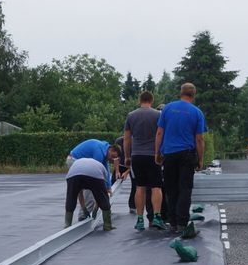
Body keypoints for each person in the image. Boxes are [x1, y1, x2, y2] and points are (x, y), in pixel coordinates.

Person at [154, 82, 206, 239]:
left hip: (169, 154)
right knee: (185, 189)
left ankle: (173, 223)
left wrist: (157, 152)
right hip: (187, 155)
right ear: (193, 95)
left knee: (171, 189)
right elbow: (199, 139)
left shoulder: (168, 108)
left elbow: (159, 133)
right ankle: (183, 224)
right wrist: (200, 159)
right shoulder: (197, 112)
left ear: (180, 93)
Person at [124, 90, 166, 231]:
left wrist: (127, 156)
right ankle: (157, 217)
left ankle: (140, 219)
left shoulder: (131, 115)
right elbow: (161, 135)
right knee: (156, 187)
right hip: (152, 156)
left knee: (140, 187)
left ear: (139, 100)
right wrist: (160, 153)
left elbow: (126, 138)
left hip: (137, 155)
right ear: (152, 100)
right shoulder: (158, 115)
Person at [65, 138, 119, 219]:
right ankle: (83, 216)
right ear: (110, 149)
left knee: (89, 187)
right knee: (90, 189)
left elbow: (106, 170)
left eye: (114, 158)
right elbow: (95, 176)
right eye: (112, 156)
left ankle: (85, 211)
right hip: (74, 160)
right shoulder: (99, 152)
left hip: (78, 161)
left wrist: (108, 187)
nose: (112, 159)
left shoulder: (104, 150)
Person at [64, 155, 114, 230]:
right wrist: (95, 209)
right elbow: (100, 195)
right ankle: (107, 225)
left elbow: (79, 194)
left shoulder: (79, 162)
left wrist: (85, 209)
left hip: (73, 175)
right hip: (94, 174)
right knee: (104, 199)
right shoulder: (103, 169)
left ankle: (67, 225)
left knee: (71, 198)